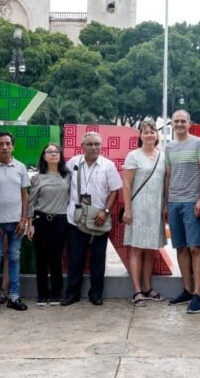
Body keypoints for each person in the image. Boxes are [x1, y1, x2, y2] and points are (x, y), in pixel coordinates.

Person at [64, 131, 123, 306]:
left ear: (101, 146)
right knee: (75, 258)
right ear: (82, 146)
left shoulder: (108, 165)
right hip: (75, 218)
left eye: (97, 144)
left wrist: (106, 211)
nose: (94, 147)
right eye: (89, 144)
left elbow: (114, 191)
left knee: (98, 258)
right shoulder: (73, 163)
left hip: (99, 218)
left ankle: (96, 294)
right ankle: (72, 294)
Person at [165, 110, 200, 314]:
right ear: (172, 124)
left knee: (195, 248)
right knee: (181, 247)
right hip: (174, 202)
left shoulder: (199, 143)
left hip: (193, 202)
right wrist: (166, 203)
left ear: (189, 123)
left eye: (183, 121)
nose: (180, 124)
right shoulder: (169, 147)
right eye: (176, 121)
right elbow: (168, 176)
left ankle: (198, 294)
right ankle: (187, 290)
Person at [0, 131, 31, 314]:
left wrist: (24, 219)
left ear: (13, 146)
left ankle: (14, 297)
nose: (4, 147)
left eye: (8, 143)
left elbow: (25, 195)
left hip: (16, 222)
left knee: (15, 258)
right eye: (0, 143)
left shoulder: (20, 167)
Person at [123, 119, 167, 306]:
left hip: (156, 209)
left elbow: (166, 183)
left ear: (157, 134)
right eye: (146, 132)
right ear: (140, 135)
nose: (149, 135)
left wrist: (165, 206)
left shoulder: (163, 156)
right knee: (136, 249)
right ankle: (137, 290)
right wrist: (128, 209)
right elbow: (127, 184)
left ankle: (148, 287)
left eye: (152, 131)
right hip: (138, 209)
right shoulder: (133, 156)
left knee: (151, 249)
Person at [27, 143, 70, 306]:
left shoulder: (68, 176)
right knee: (41, 258)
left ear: (60, 155)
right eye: (49, 152)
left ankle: (56, 293)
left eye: (56, 151)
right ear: (44, 156)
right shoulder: (37, 178)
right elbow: (31, 201)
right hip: (40, 221)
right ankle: (42, 294)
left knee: (56, 257)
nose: (53, 154)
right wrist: (29, 223)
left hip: (60, 221)